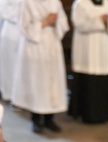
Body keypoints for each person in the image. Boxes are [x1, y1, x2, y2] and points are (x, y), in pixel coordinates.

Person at [11, 0, 68, 133]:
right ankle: (36, 120)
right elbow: (23, 26)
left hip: (52, 45)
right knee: (37, 83)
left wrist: (56, 22)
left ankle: (49, 119)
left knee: (52, 83)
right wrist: (44, 22)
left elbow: (63, 23)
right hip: (35, 46)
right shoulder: (27, 2)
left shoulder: (55, 2)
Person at [68, 0, 108, 124]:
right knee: (88, 81)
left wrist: (107, 21)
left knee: (102, 82)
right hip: (86, 51)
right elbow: (80, 24)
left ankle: (104, 114)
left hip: (104, 51)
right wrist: (99, 20)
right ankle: (86, 114)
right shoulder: (80, 3)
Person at [0, 0, 23, 101]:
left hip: (25, 34)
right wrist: (22, 15)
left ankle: (20, 96)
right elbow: (3, 10)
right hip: (10, 31)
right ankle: (8, 94)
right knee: (8, 66)